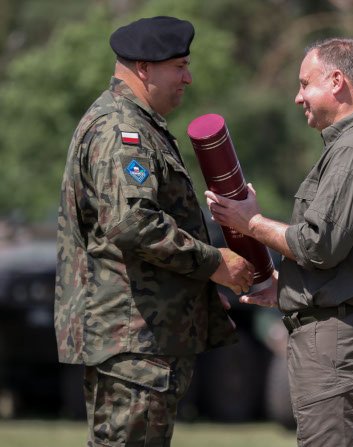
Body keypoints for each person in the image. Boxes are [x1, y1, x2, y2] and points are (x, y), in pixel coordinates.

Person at [55, 16, 254, 447]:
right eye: (179, 66)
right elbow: (133, 223)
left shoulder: (136, 124)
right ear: (144, 67)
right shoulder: (120, 130)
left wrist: (194, 291)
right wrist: (213, 263)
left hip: (143, 338)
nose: (189, 77)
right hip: (135, 344)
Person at [205, 37, 353, 446]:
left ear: (336, 81)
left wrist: (251, 222)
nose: (298, 97)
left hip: (336, 338)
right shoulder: (349, 147)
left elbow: (318, 245)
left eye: (305, 83)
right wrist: (286, 287)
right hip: (331, 333)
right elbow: (335, 252)